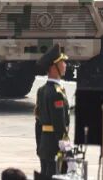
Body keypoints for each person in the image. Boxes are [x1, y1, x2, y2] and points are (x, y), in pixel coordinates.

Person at [34, 44, 69, 179]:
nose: (65, 65)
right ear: (54, 67)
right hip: (55, 145)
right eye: (62, 62)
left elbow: (38, 122)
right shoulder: (57, 93)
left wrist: (39, 145)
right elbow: (59, 124)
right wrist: (66, 148)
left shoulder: (41, 90)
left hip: (44, 144)